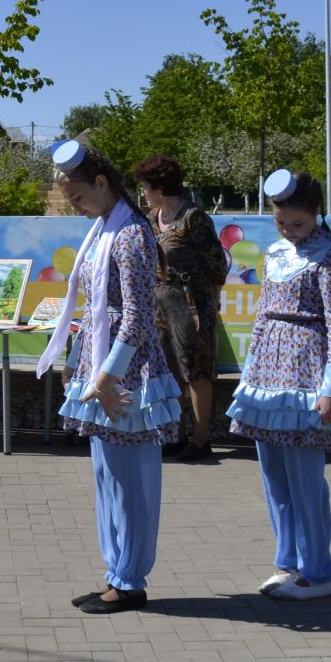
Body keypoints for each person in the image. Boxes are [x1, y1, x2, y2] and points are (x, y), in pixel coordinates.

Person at [37, 139, 182, 615]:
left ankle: (131, 579)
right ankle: (116, 573)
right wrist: (79, 364)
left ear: (101, 183)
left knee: (131, 483)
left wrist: (105, 375)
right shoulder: (104, 229)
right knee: (108, 477)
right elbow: (96, 308)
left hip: (127, 373)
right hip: (105, 367)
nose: (76, 209)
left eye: (78, 198)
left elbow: (139, 316)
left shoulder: (131, 234)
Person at [226, 169, 331, 601]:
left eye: (297, 224)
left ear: (316, 214)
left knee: (306, 480)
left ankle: (317, 571)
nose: (289, 231)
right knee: (274, 477)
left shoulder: (329, 255)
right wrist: (250, 374)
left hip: (306, 374)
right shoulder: (275, 252)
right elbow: (263, 314)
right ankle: (288, 562)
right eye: (281, 222)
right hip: (267, 377)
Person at [134, 154, 227, 462]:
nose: (143, 193)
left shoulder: (193, 217)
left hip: (192, 305)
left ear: (160, 188)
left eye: (146, 187)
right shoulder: (150, 219)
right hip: (160, 305)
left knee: (196, 371)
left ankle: (202, 440)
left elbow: (218, 264)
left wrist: (207, 299)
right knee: (169, 370)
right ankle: (177, 433)